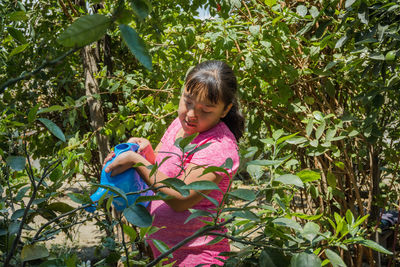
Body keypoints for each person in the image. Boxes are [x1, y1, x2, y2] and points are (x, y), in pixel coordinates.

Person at [104, 60, 245, 266]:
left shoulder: (219, 147)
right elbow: (163, 174)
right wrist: (145, 152)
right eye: (187, 101)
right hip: (167, 254)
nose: (191, 115)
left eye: (205, 110)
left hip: (199, 257)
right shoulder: (180, 126)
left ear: (225, 110)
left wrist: (137, 161)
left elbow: (181, 197)